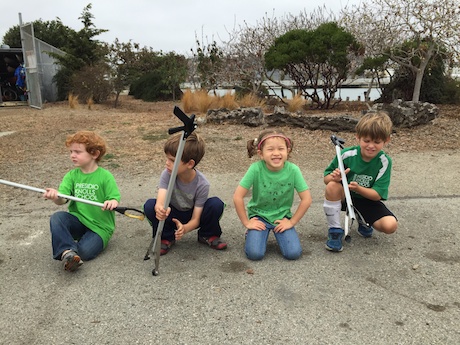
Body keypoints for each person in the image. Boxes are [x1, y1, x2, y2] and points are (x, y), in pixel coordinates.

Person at [43, 131, 121, 271]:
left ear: (94, 154)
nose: (72, 155)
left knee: (85, 252)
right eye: (71, 151)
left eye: (78, 152)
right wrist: (56, 197)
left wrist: (112, 202)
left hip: (100, 227)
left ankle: (83, 247)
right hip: (79, 220)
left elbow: (114, 197)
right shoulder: (71, 176)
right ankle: (67, 252)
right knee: (57, 218)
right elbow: (63, 199)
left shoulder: (105, 176)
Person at [323, 111, 398, 252]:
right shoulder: (346, 155)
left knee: (390, 226)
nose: (371, 146)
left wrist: (358, 189)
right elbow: (326, 179)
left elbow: (377, 195)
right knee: (333, 186)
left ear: (386, 140)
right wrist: (335, 178)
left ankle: (362, 218)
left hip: (367, 198)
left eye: (377, 142)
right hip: (345, 196)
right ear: (358, 137)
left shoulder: (384, 162)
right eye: (367, 141)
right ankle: (334, 230)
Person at [233, 129, 312, 261]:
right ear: (261, 154)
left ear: (288, 150)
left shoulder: (293, 170)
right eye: (270, 149)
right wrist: (246, 222)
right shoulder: (255, 169)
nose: (276, 153)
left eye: (281, 148)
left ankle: (279, 234)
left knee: (293, 254)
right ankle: (251, 234)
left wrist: (292, 222)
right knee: (255, 254)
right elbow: (237, 196)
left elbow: (307, 199)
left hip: (282, 217)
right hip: (259, 217)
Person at [143, 132, 227, 256]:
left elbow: (196, 219)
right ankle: (166, 237)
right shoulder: (167, 174)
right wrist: (159, 208)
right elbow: (160, 199)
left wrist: (185, 229)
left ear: (190, 164)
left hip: (191, 213)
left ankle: (207, 234)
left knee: (216, 204)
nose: (167, 163)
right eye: (167, 158)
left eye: (172, 160)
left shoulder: (202, 184)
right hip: (171, 213)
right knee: (150, 205)